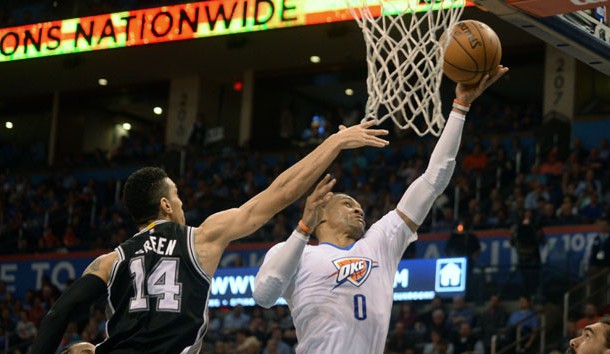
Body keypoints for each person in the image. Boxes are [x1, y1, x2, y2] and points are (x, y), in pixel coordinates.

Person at [30, 122, 390, 354]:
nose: (184, 203)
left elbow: (57, 313)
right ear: (166, 206)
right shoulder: (201, 239)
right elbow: (280, 192)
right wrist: (335, 142)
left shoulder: (109, 261)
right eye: (178, 196)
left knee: (82, 350)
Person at [252, 67, 509, 353]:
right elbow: (264, 294)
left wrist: (461, 107)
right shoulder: (295, 252)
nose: (358, 208)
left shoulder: (379, 242)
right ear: (321, 214)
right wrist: (303, 229)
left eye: (359, 205)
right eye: (347, 203)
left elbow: (435, 178)